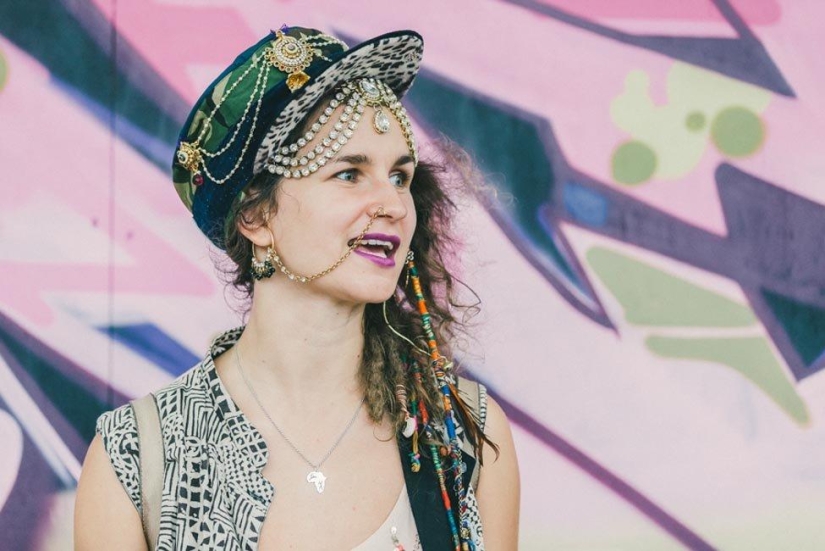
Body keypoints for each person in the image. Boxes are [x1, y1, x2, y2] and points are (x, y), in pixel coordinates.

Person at [75, 25, 520, 550]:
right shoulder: (138, 455)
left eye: (399, 177)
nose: (395, 206)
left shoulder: (461, 435)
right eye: (349, 174)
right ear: (257, 217)